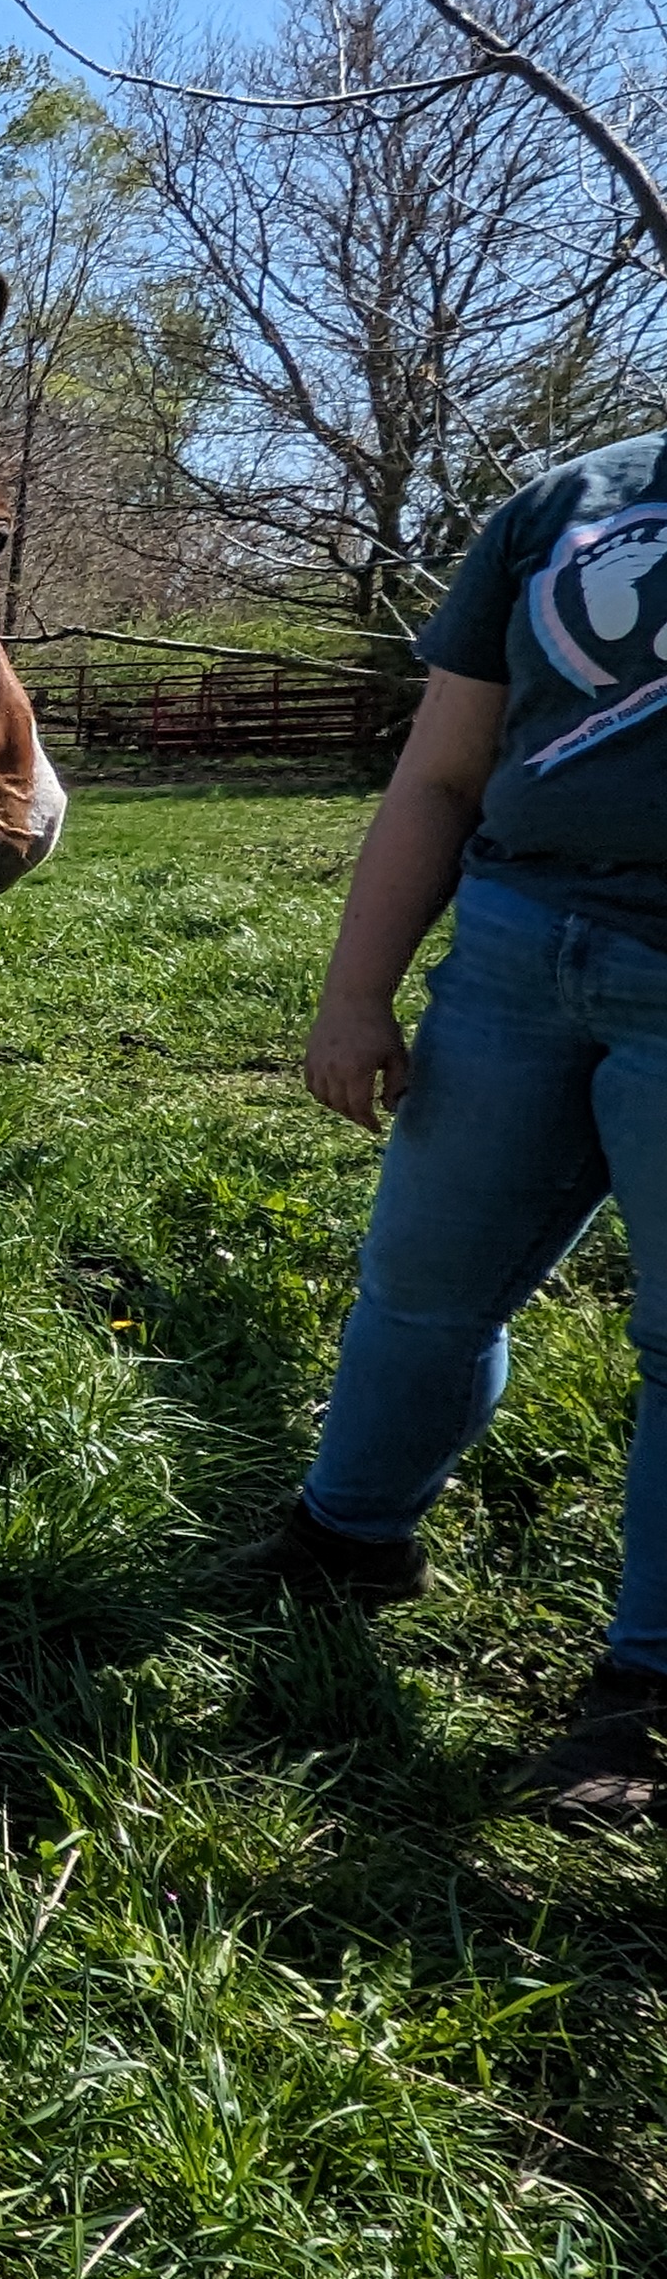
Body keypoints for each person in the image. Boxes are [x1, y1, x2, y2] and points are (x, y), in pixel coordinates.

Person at [234, 431, 667, 1829]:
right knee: (424, 1286)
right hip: (516, 950)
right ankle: (347, 1539)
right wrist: (357, 994)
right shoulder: (568, 504)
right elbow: (439, 772)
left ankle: (646, 1695)